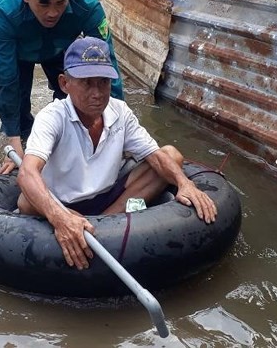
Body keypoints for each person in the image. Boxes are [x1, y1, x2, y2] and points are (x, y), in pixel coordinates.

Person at [17, 37, 217, 270]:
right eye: (87, 83)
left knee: (171, 155)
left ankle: (108, 222)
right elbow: (27, 173)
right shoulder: (52, 117)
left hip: (108, 198)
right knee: (25, 201)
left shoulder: (119, 111)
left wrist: (185, 183)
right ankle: (85, 223)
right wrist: (60, 218)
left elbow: (154, 154)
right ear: (64, 83)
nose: (97, 93)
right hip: (62, 203)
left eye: (103, 82)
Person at [0, 0, 124, 174]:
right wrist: (13, 140)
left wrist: (118, 123)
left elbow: (106, 65)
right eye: (44, 5)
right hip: (19, 52)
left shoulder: (87, 6)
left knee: (77, 98)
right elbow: (3, 79)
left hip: (61, 48)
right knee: (18, 110)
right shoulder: (4, 13)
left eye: (60, 3)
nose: (53, 12)